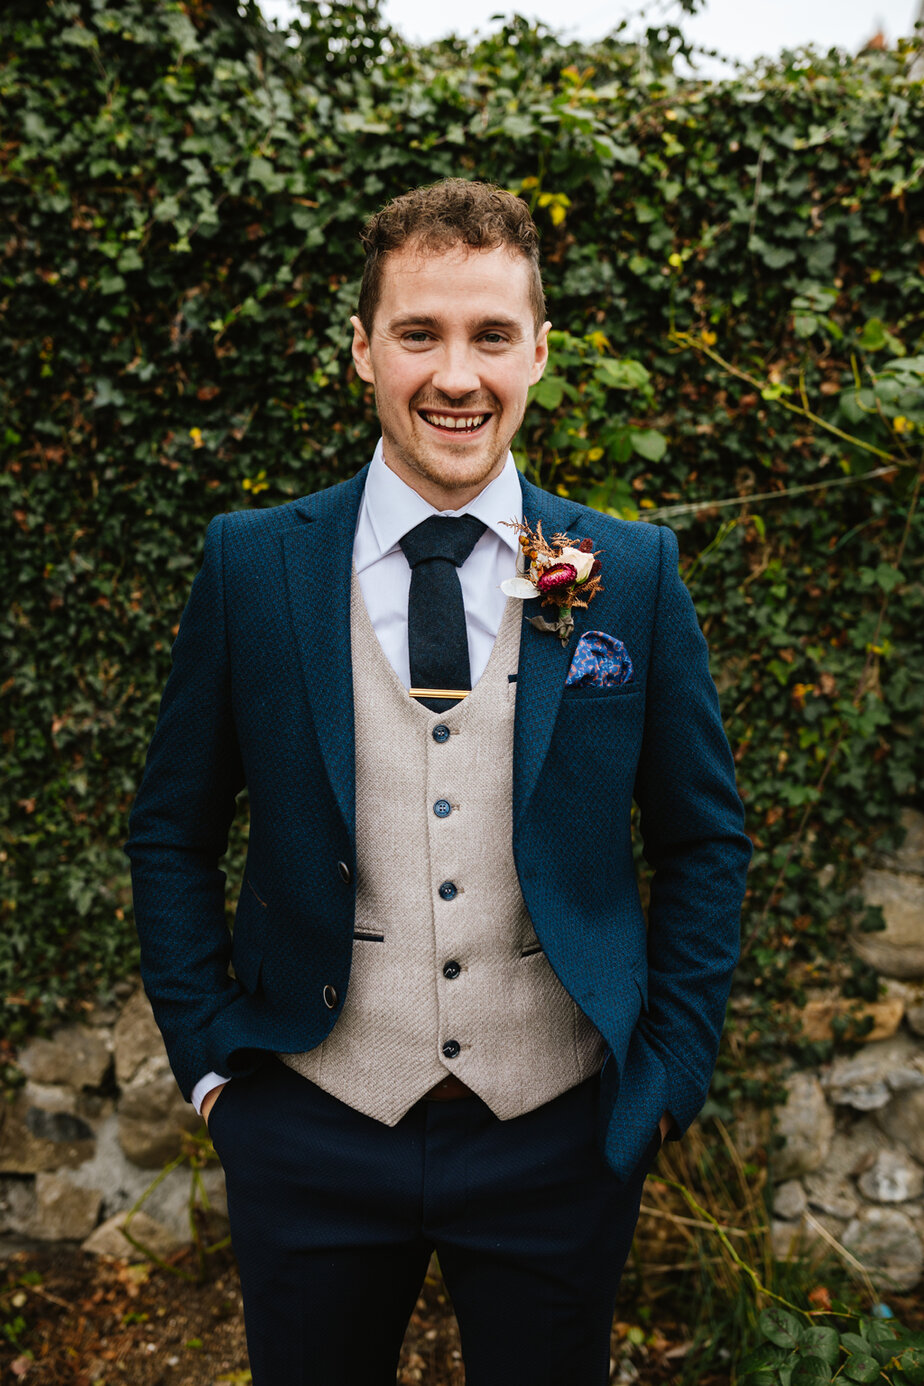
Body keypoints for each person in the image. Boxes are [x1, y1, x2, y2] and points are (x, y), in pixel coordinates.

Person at [125, 177, 751, 1386]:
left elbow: (703, 841)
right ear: (364, 350)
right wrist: (211, 1068)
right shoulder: (251, 566)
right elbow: (171, 831)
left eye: (490, 337)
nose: (456, 376)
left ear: (538, 354)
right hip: (308, 1120)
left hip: (559, 1132)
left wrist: (668, 1076)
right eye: (420, 333)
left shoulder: (631, 570)